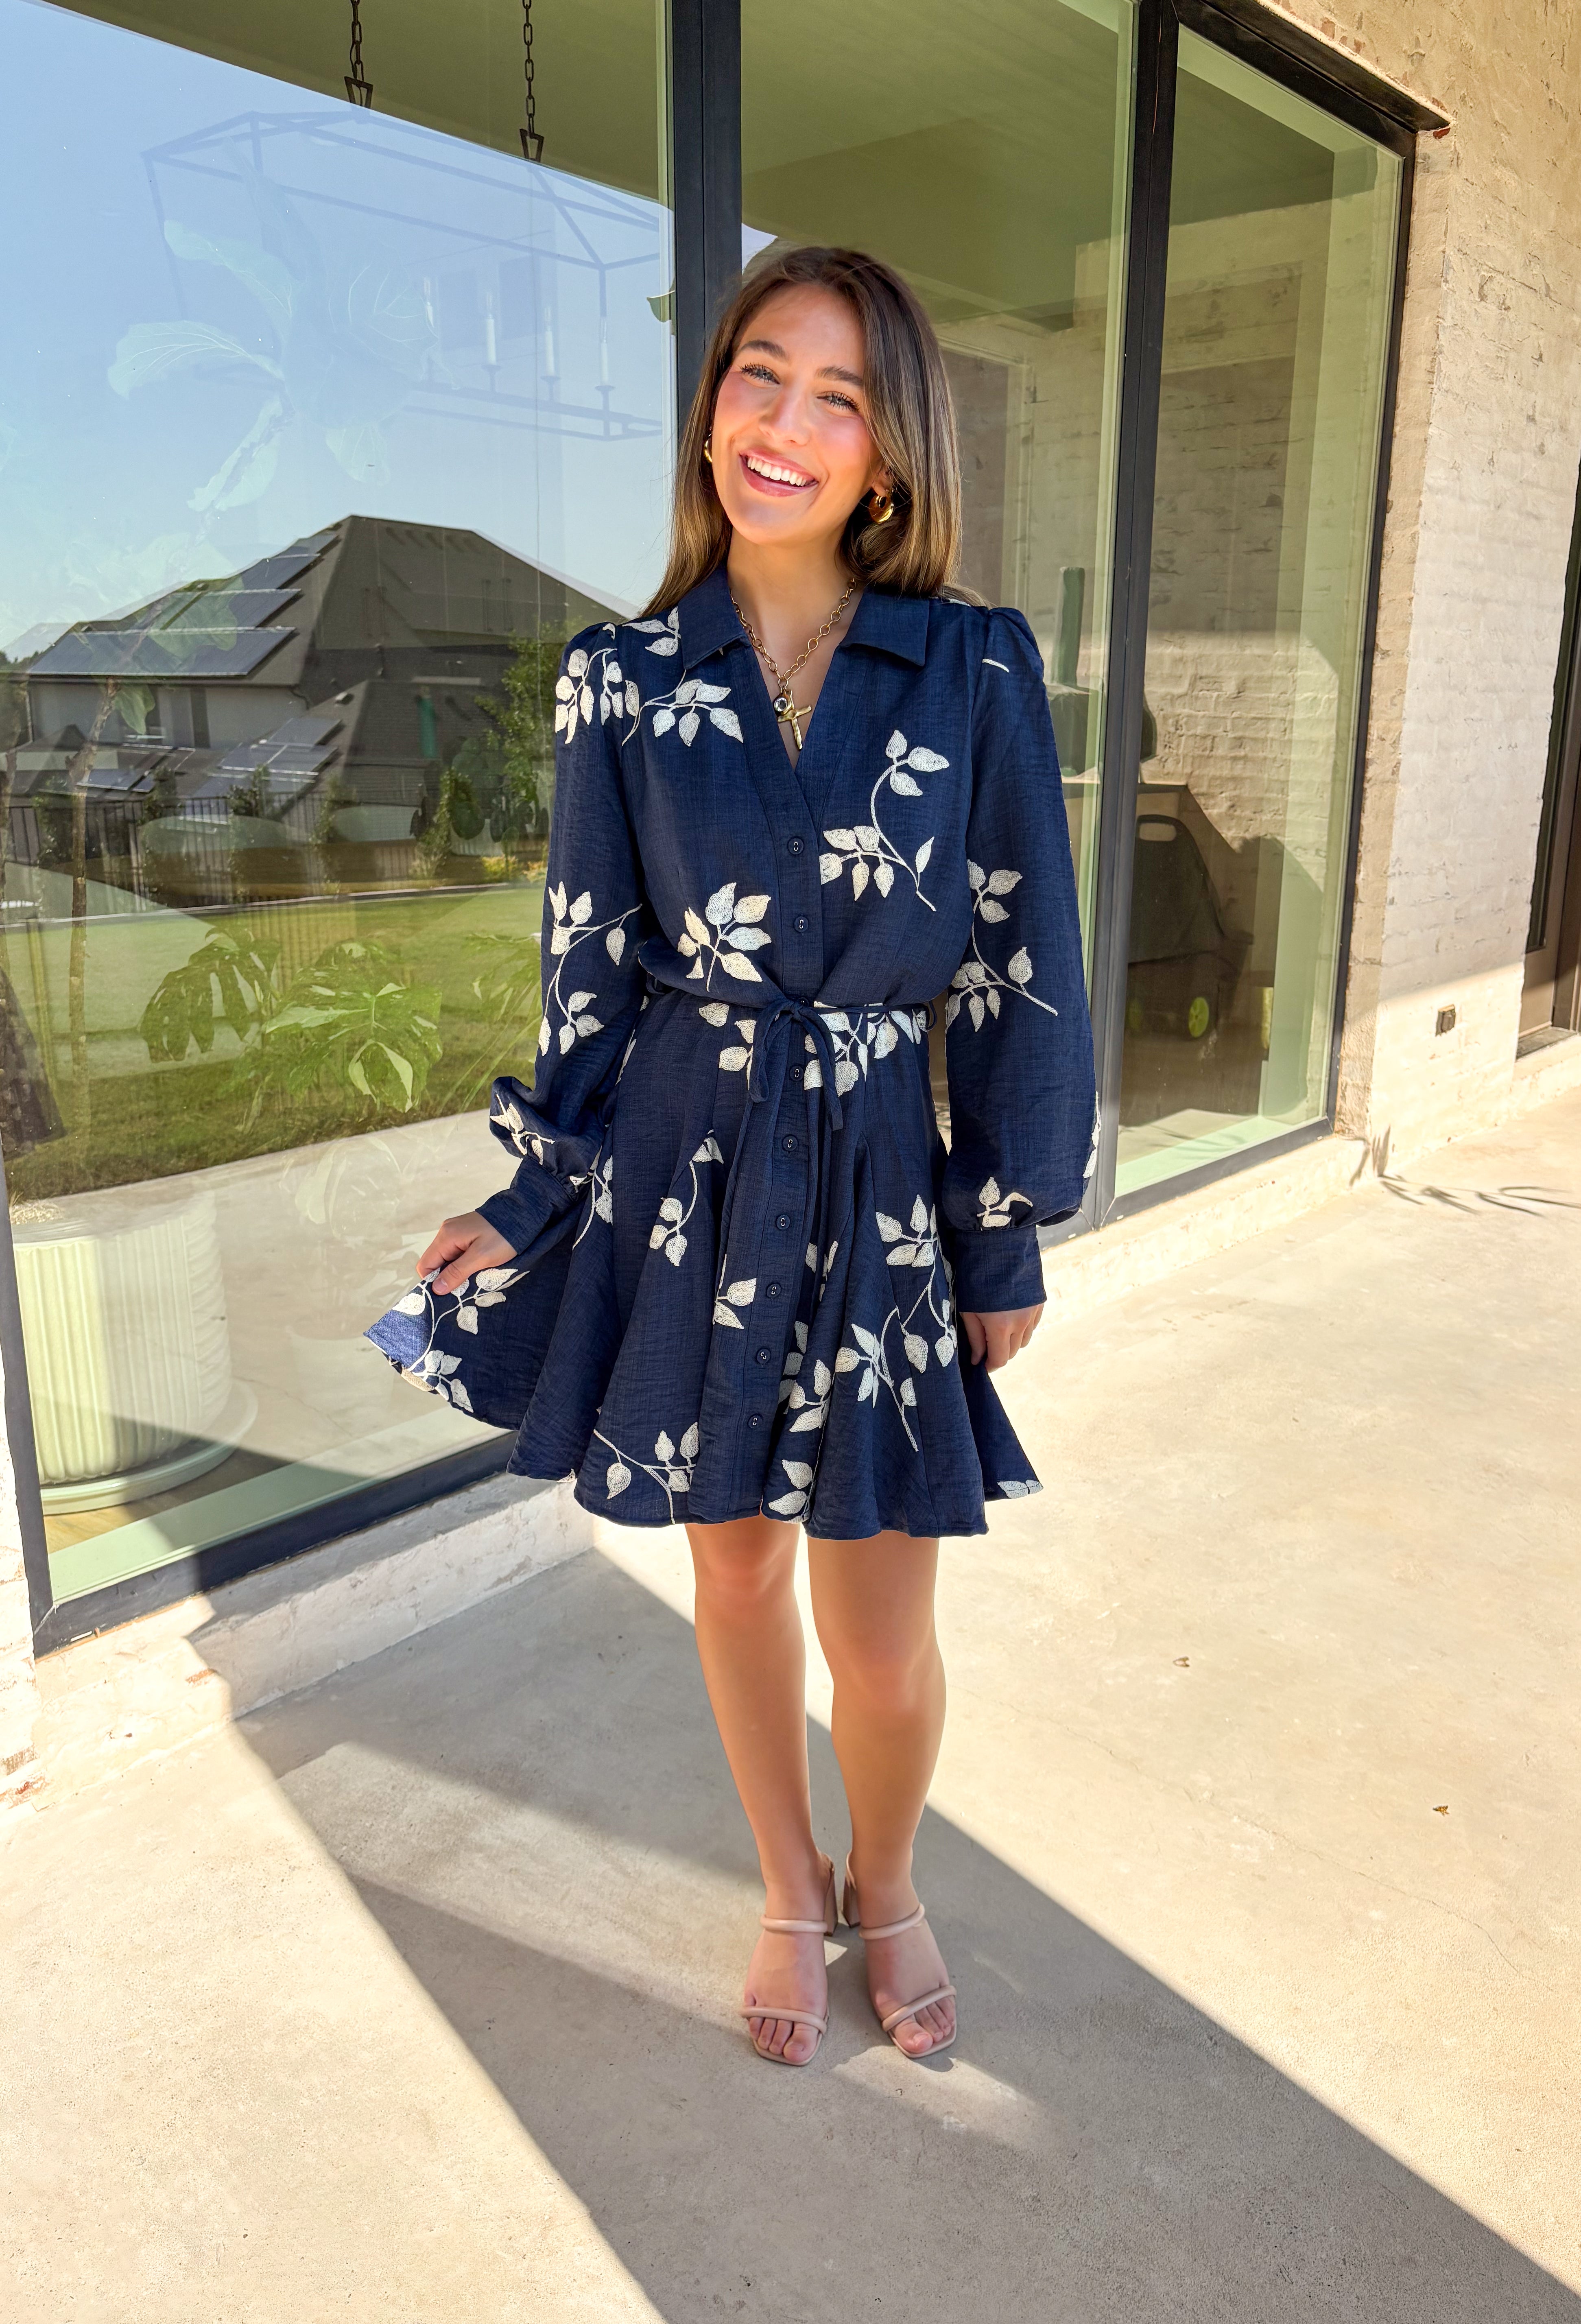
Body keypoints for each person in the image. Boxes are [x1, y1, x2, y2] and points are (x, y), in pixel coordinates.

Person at [373, 246, 1096, 2067]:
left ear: (888, 449)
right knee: (736, 1569)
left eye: (835, 398)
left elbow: (1019, 958)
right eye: (757, 377)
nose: (783, 425)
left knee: (881, 1606)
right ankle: (791, 1880)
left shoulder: (978, 667)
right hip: (691, 1178)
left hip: (876, 1185)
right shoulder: (620, 679)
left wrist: (998, 1233)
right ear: (712, 409)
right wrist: (530, 1193)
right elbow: (590, 973)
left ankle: (891, 1870)